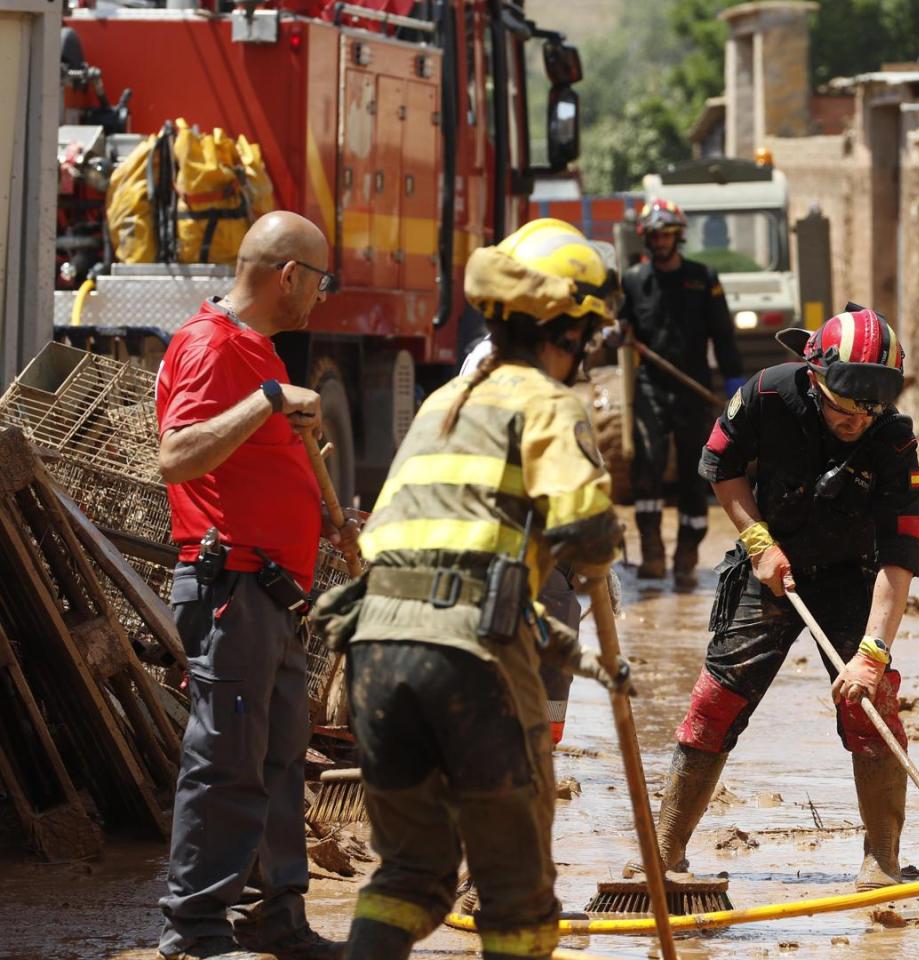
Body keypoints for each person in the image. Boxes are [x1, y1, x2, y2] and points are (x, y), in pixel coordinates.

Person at [340, 220, 633, 960]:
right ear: (567, 331)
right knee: (518, 900)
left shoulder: (443, 404)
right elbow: (590, 536)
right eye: (588, 337)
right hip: (470, 658)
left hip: (374, 654)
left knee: (409, 877)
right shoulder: (547, 402)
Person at [635, 304, 919, 892]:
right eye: (846, 407)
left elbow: (901, 552)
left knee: (870, 707)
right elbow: (721, 464)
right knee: (715, 701)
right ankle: (665, 852)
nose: (857, 421)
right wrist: (758, 540)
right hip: (772, 562)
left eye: (872, 409)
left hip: (851, 574)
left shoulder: (893, 440)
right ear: (815, 376)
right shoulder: (768, 393)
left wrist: (873, 654)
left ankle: (882, 859)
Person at [153, 211, 351, 960]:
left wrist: (326, 518)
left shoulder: (257, 350)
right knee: (226, 760)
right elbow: (177, 457)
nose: (322, 298)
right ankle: (195, 930)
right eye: (321, 281)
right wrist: (267, 400)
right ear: (288, 275)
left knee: (275, 758)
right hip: (230, 586)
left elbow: (254, 465)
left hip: (269, 592)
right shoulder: (211, 347)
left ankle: (276, 917)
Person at [620, 197, 742, 589]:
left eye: (666, 235)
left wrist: (733, 387)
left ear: (678, 237)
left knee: (696, 473)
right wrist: (617, 335)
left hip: (693, 389)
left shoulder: (702, 279)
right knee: (648, 467)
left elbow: (723, 336)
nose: (660, 242)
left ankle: (687, 556)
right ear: (646, 238)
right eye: (653, 236)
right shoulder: (634, 282)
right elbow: (618, 326)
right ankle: (652, 552)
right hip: (650, 388)